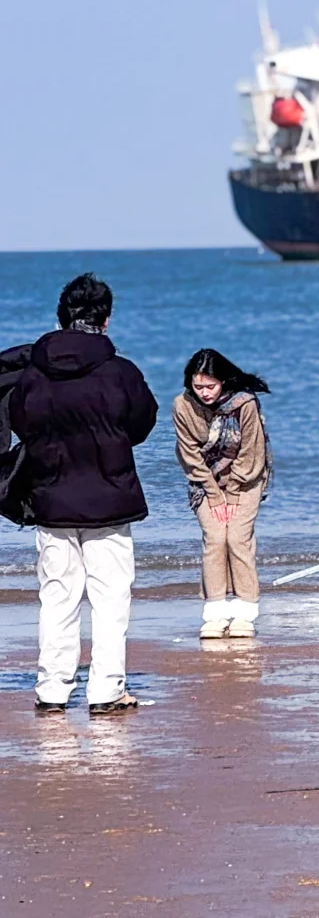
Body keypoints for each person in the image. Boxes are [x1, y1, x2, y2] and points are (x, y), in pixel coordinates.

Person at [9, 273, 158, 715]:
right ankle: (106, 690)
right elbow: (142, 423)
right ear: (105, 320)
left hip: (51, 499)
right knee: (111, 598)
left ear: (61, 318)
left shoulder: (34, 375)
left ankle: (53, 689)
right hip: (108, 498)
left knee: (58, 596)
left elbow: (20, 422)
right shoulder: (120, 372)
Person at [173, 349, 271, 639]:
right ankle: (214, 612)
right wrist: (215, 496)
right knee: (216, 537)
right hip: (205, 480)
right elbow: (189, 455)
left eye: (210, 386)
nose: (204, 393)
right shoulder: (182, 406)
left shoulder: (245, 403)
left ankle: (245, 612)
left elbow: (252, 452)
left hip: (247, 478)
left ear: (223, 382)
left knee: (237, 538)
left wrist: (234, 493)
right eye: (198, 386)